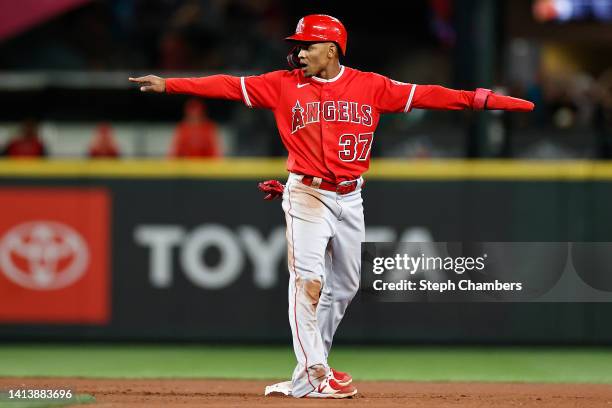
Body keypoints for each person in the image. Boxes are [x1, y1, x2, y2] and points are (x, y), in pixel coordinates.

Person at [129, 14, 533, 398]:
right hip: (307, 194)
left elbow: (430, 95)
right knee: (307, 282)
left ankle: (305, 377)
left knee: (344, 286)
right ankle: (317, 373)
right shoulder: (282, 84)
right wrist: (172, 85)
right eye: (298, 46)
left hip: (351, 196)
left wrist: (484, 100)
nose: (300, 53)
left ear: (333, 48)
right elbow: (229, 86)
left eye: (308, 45)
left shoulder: (370, 86)